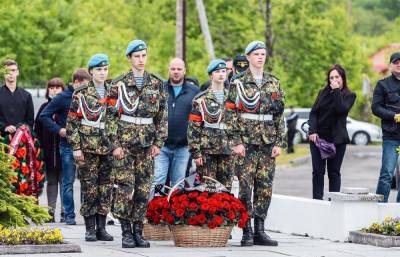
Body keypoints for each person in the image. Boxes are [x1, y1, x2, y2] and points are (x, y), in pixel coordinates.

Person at [106, 39, 167, 248]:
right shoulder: (118, 84)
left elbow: (162, 117)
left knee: (143, 189)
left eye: (144, 55)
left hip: (146, 145)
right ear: (130, 58)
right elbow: (110, 117)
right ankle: (125, 232)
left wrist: (158, 142)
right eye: (137, 56)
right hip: (125, 144)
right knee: (126, 188)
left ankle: (138, 231)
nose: (141, 60)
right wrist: (114, 145)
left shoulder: (156, 83)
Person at [226, 41, 285, 246]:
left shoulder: (273, 82)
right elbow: (230, 113)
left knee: (265, 187)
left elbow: (279, 115)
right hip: (246, 143)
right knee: (245, 187)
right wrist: (236, 142)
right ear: (248, 57)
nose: (261, 57)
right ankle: (246, 229)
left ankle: (260, 229)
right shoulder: (238, 82)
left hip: (267, 143)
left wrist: (279, 142)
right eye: (257, 54)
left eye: (263, 54)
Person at [66, 54, 114, 242]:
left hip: (108, 147)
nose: (103, 73)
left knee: (105, 188)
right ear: (91, 71)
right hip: (88, 147)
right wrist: (76, 147)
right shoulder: (81, 92)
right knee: (90, 188)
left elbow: (116, 120)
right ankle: (90, 228)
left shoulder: (113, 91)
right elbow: (72, 123)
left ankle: (102, 227)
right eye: (99, 70)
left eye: (105, 69)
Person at [40, 68, 91, 225]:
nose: (87, 88)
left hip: (86, 146)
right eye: (84, 85)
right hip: (67, 146)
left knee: (86, 182)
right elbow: (44, 116)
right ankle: (69, 215)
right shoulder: (62, 98)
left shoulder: (88, 96)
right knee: (68, 181)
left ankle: (87, 215)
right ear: (76, 83)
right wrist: (58, 129)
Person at [188, 59, 245, 190]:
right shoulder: (200, 99)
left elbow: (238, 123)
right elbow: (193, 128)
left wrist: (239, 143)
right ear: (211, 75)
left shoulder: (233, 97)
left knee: (226, 189)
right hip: (207, 150)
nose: (221, 74)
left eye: (224, 71)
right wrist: (196, 153)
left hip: (228, 149)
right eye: (217, 71)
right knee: (208, 189)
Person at [150, 58, 199, 197]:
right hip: (161, 146)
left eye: (179, 69)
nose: (176, 72)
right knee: (158, 180)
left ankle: (173, 216)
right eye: (173, 69)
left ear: (184, 70)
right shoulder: (160, 89)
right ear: (168, 70)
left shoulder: (194, 91)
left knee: (178, 184)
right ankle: (154, 214)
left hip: (183, 146)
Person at [308, 64, 356, 200]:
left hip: (337, 140)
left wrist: (336, 91)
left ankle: (333, 201)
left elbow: (341, 110)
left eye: (337, 77)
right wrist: (312, 131)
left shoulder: (349, 95)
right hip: (318, 139)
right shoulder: (322, 93)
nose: (334, 80)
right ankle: (317, 201)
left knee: (334, 173)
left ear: (343, 78)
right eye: (331, 78)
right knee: (318, 172)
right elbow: (313, 113)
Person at [34, 78, 65, 222]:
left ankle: (66, 212)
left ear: (62, 90)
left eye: (58, 88)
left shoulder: (67, 107)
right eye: (52, 88)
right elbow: (37, 129)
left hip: (64, 153)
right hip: (48, 153)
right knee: (51, 182)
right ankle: (50, 213)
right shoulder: (43, 108)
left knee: (65, 182)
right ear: (48, 90)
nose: (54, 90)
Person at [371, 52, 400, 202]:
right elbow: (375, 108)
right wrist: (393, 116)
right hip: (391, 137)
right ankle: (379, 207)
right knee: (387, 174)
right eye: (396, 62)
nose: (399, 64)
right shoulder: (382, 84)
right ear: (390, 65)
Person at [0, 59, 34, 136]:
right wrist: (4, 127)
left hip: (21, 140)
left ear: (17, 72)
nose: (10, 73)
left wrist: (21, 130)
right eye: (7, 71)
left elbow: (30, 121)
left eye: (13, 70)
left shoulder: (27, 95)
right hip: (1, 139)